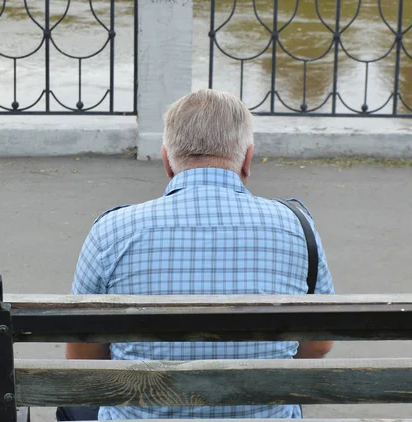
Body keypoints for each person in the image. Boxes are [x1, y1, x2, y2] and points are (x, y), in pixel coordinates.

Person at [65, 89, 334, 420]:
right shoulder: (297, 228)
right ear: (247, 159)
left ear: (167, 161)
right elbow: (318, 345)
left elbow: (83, 359)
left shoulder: (112, 231)